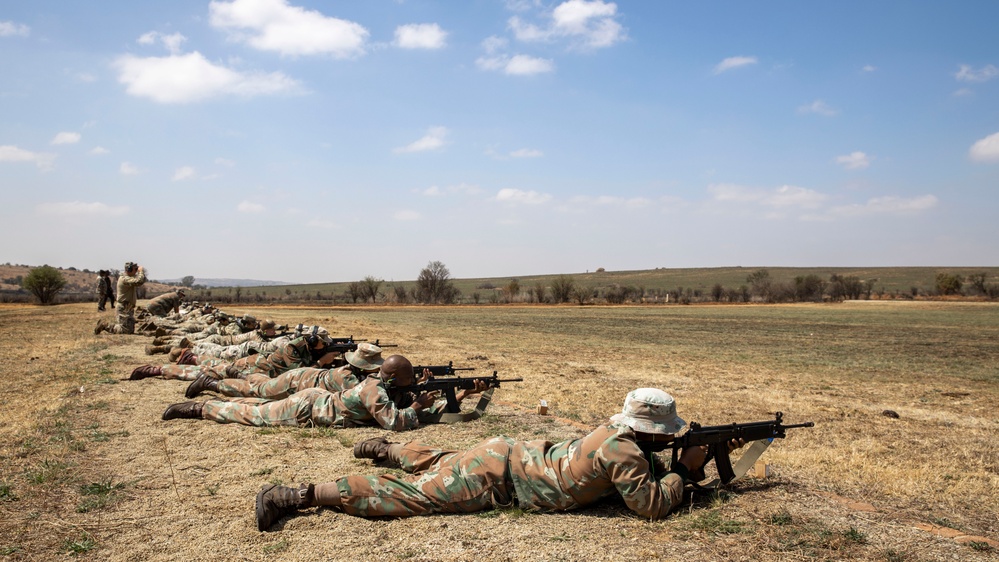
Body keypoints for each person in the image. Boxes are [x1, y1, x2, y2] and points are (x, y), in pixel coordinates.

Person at [253, 388, 745, 531]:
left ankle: (389, 448)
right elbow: (651, 506)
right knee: (416, 495)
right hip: (501, 476)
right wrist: (685, 469)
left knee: (445, 460)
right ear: (649, 431)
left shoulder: (615, 434)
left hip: (510, 454)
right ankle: (298, 495)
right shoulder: (626, 451)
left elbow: (635, 471)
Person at [159, 355, 485, 432]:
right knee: (254, 413)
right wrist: (416, 404)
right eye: (410, 378)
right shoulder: (374, 389)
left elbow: (405, 403)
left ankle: (215, 397)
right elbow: (393, 423)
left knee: (255, 401)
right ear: (396, 378)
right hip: (309, 408)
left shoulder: (383, 385)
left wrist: (467, 392)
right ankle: (200, 409)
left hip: (315, 399)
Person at [183, 342, 384, 400]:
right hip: (294, 382)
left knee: (260, 385)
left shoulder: (352, 372)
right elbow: (371, 393)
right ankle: (212, 383)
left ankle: (240, 375)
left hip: (302, 378)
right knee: (257, 391)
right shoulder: (349, 380)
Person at [95, 261, 146, 335]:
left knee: (130, 330)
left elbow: (141, 280)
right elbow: (139, 281)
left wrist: (140, 273)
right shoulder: (125, 279)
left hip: (128, 307)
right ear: (129, 270)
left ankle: (106, 325)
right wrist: (141, 271)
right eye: (135, 269)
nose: (136, 271)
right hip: (124, 307)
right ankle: (105, 325)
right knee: (125, 330)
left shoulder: (129, 278)